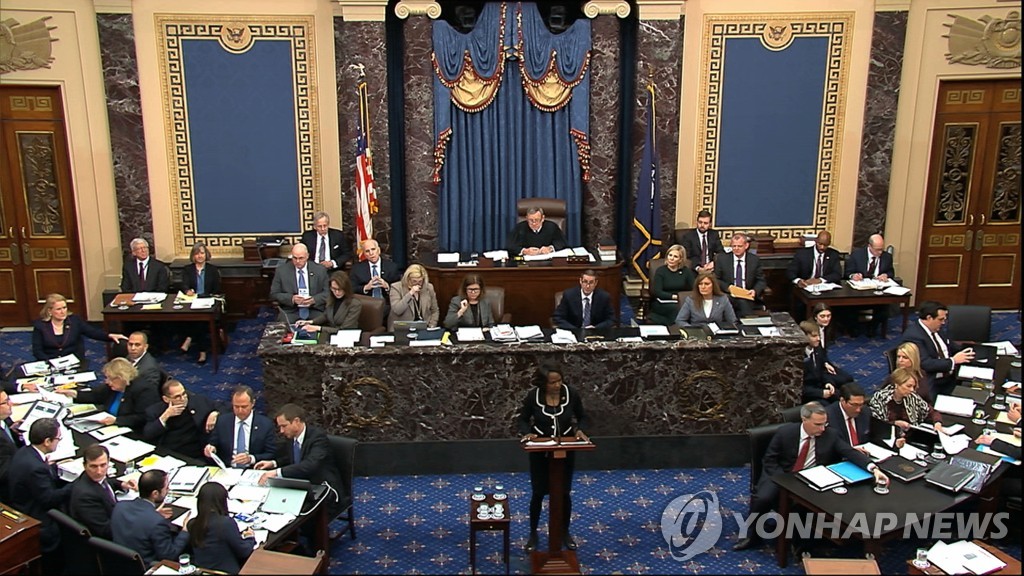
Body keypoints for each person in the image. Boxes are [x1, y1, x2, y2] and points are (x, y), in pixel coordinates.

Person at [734, 402, 887, 551]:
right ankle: (753, 536)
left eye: (824, 424)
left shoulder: (830, 434)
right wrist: (784, 481)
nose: (822, 429)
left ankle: (803, 543)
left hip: (811, 478)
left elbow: (849, 452)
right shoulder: (785, 432)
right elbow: (769, 460)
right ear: (804, 420)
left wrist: (873, 469)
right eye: (817, 424)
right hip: (782, 475)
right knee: (764, 498)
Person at [517, 363, 590, 552]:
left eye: (560, 380)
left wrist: (580, 430)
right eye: (552, 382)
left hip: (565, 449)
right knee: (538, 492)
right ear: (543, 383)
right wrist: (527, 433)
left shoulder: (571, 394)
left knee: (564, 492)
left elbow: (583, 416)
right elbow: (522, 419)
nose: (557, 385)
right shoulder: (533, 396)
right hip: (540, 451)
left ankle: (564, 532)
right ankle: (533, 533)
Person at [254, 404, 342, 516]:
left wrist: (276, 472)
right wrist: (273, 463)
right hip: (300, 483)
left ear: (296, 421)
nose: (281, 431)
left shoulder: (318, 438)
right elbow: (293, 457)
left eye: (284, 426)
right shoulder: (292, 437)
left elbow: (310, 464)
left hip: (322, 487)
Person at [7, 418, 73, 564]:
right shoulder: (36, 468)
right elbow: (50, 499)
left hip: (21, 504)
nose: (59, 441)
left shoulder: (24, 451)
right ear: (47, 441)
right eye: (58, 438)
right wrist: (74, 484)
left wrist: (50, 468)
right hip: (38, 521)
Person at [60, 357, 161, 433]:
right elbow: (96, 395)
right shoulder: (113, 386)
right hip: (107, 426)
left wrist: (117, 420)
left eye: (110, 379)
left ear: (122, 378)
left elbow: (143, 417)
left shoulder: (144, 390)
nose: (107, 382)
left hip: (129, 431)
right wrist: (75, 394)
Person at [112, 469, 190, 566]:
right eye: (166, 488)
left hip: (119, 563)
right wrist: (185, 531)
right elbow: (169, 555)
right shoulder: (157, 522)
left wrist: (153, 513)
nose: (168, 490)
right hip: (145, 567)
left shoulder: (119, 506)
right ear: (155, 493)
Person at [900, 300, 974, 398]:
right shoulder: (913, 336)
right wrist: (953, 361)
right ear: (929, 318)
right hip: (932, 381)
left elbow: (949, 345)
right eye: (941, 319)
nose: (943, 322)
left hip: (949, 376)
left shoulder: (935, 328)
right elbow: (926, 364)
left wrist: (968, 350)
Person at [69, 444, 137, 539]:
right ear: (84, 465)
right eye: (93, 466)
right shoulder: (85, 496)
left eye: (103, 465)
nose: (99, 471)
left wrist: (122, 484)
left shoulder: (91, 476)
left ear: (108, 462)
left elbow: (105, 481)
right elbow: (106, 530)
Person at [32, 293, 125, 362]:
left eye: (64, 308)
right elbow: (37, 351)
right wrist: (50, 362)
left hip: (73, 362)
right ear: (49, 311)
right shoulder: (40, 326)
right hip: (50, 362)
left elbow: (92, 332)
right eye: (58, 309)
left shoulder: (74, 321)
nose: (63, 312)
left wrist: (109, 336)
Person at [187, 482, 256, 573]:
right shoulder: (225, 523)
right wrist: (250, 537)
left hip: (203, 571)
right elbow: (244, 551)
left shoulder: (192, 524)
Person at [143, 379, 220, 459]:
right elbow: (148, 434)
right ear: (166, 399)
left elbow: (223, 407)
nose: (183, 398)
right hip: (170, 453)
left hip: (197, 451)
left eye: (184, 394)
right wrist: (165, 416)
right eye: (177, 397)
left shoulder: (198, 401)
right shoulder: (154, 411)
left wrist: (214, 413)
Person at [205, 386, 278, 469]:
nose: (240, 411)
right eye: (236, 406)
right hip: (227, 469)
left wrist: (251, 458)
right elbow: (214, 444)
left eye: (244, 407)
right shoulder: (222, 421)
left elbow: (271, 453)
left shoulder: (265, 424)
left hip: (253, 470)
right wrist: (211, 449)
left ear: (253, 403)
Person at [843, 234, 896, 336]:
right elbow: (847, 273)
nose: (880, 252)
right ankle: (854, 329)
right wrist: (853, 276)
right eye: (877, 250)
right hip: (859, 291)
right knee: (850, 306)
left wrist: (886, 275)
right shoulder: (857, 255)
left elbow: (891, 272)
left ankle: (873, 328)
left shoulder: (887, 257)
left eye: (882, 249)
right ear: (869, 246)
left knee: (884, 306)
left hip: (878, 291)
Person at [178, 242, 222, 365]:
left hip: (207, 301)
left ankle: (193, 342)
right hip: (192, 301)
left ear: (206, 254)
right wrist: (187, 291)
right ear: (193, 256)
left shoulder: (212, 270)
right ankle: (200, 349)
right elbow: (184, 285)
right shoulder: (188, 269)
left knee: (201, 321)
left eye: (202, 253)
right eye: (197, 254)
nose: (200, 256)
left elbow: (216, 289)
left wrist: (204, 296)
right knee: (196, 320)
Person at [869, 367, 944, 436]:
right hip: (888, 437)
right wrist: (894, 423)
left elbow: (932, 412)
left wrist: (937, 423)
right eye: (908, 386)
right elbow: (876, 425)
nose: (912, 390)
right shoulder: (880, 398)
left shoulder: (912, 397)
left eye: (913, 386)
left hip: (910, 436)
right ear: (897, 384)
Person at [787, 231, 843, 320]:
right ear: (816, 241)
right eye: (820, 244)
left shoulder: (833, 254)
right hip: (805, 289)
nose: (822, 247)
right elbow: (790, 272)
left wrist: (820, 280)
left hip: (825, 291)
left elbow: (837, 274)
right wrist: (798, 281)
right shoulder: (802, 254)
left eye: (825, 245)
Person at [270, 243, 330, 323]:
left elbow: (327, 292)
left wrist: (314, 300)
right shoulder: (281, 271)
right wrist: (292, 299)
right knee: (285, 324)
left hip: (315, 309)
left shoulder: (320, 270)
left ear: (307, 256)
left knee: (324, 322)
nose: (297, 261)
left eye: (301, 258)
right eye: (295, 258)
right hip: (291, 311)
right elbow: (274, 294)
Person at [714, 232, 766, 317]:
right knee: (731, 302)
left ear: (746, 246)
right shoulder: (722, 259)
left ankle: (746, 322)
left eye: (739, 246)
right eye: (734, 246)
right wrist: (728, 287)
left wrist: (755, 291)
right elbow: (716, 279)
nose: (736, 249)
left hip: (747, 294)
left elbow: (761, 280)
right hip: (729, 294)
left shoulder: (754, 260)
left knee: (743, 302)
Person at [349, 239, 401, 320]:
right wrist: (365, 288)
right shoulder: (357, 269)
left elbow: (400, 288)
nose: (371, 253)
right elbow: (351, 289)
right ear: (364, 254)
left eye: (373, 249)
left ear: (378, 250)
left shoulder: (392, 267)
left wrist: (387, 286)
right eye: (367, 251)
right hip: (367, 305)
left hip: (387, 304)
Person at [296, 271, 362, 334]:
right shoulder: (331, 298)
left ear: (346, 288)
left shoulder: (355, 304)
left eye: (339, 289)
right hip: (331, 334)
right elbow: (326, 315)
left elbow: (344, 330)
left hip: (346, 337)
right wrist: (310, 322)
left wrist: (318, 328)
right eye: (334, 289)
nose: (337, 292)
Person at [648, 244, 695, 325]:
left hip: (681, 301)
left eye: (675, 256)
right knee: (676, 309)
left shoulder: (686, 271)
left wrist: (683, 298)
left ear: (680, 260)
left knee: (686, 308)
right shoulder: (661, 271)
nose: (671, 258)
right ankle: (676, 327)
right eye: (670, 255)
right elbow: (658, 292)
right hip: (662, 302)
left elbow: (694, 288)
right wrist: (676, 297)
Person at [388, 264, 440, 331]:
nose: (417, 284)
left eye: (420, 281)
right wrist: (410, 293)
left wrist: (431, 326)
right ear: (408, 279)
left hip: (424, 329)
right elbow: (397, 310)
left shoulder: (429, 288)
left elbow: (435, 310)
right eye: (414, 281)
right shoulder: (396, 287)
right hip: (402, 329)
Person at [800, 321, 840, 404]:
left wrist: (828, 383)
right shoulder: (797, 357)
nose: (818, 339)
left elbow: (823, 371)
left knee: (842, 398)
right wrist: (820, 393)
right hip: (808, 394)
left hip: (821, 387)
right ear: (804, 337)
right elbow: (798, 387)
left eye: (819, 335)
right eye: (814, 336)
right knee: (825, 406)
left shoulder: (818, 349)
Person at [0, 389, 24, 502]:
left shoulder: (5, 419)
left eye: (8, 399)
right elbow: (4, 473)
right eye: (5, 402)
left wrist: (13, 431)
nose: (11, 404)